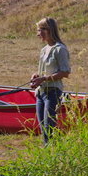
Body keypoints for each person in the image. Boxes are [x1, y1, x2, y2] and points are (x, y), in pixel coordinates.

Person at [30, 17, 71, 145]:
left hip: (53, 93)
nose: (38, 34)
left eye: (41, 30)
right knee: (43, 127)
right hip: (41, 93)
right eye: (38, 30)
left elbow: (65, 72)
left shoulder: (60, 49)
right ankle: (47, 152)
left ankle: (52, 154)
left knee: (49, 127)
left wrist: (44, 78)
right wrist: (36, 76)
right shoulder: (44, 49)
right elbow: (43, 71)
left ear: (49, 30)